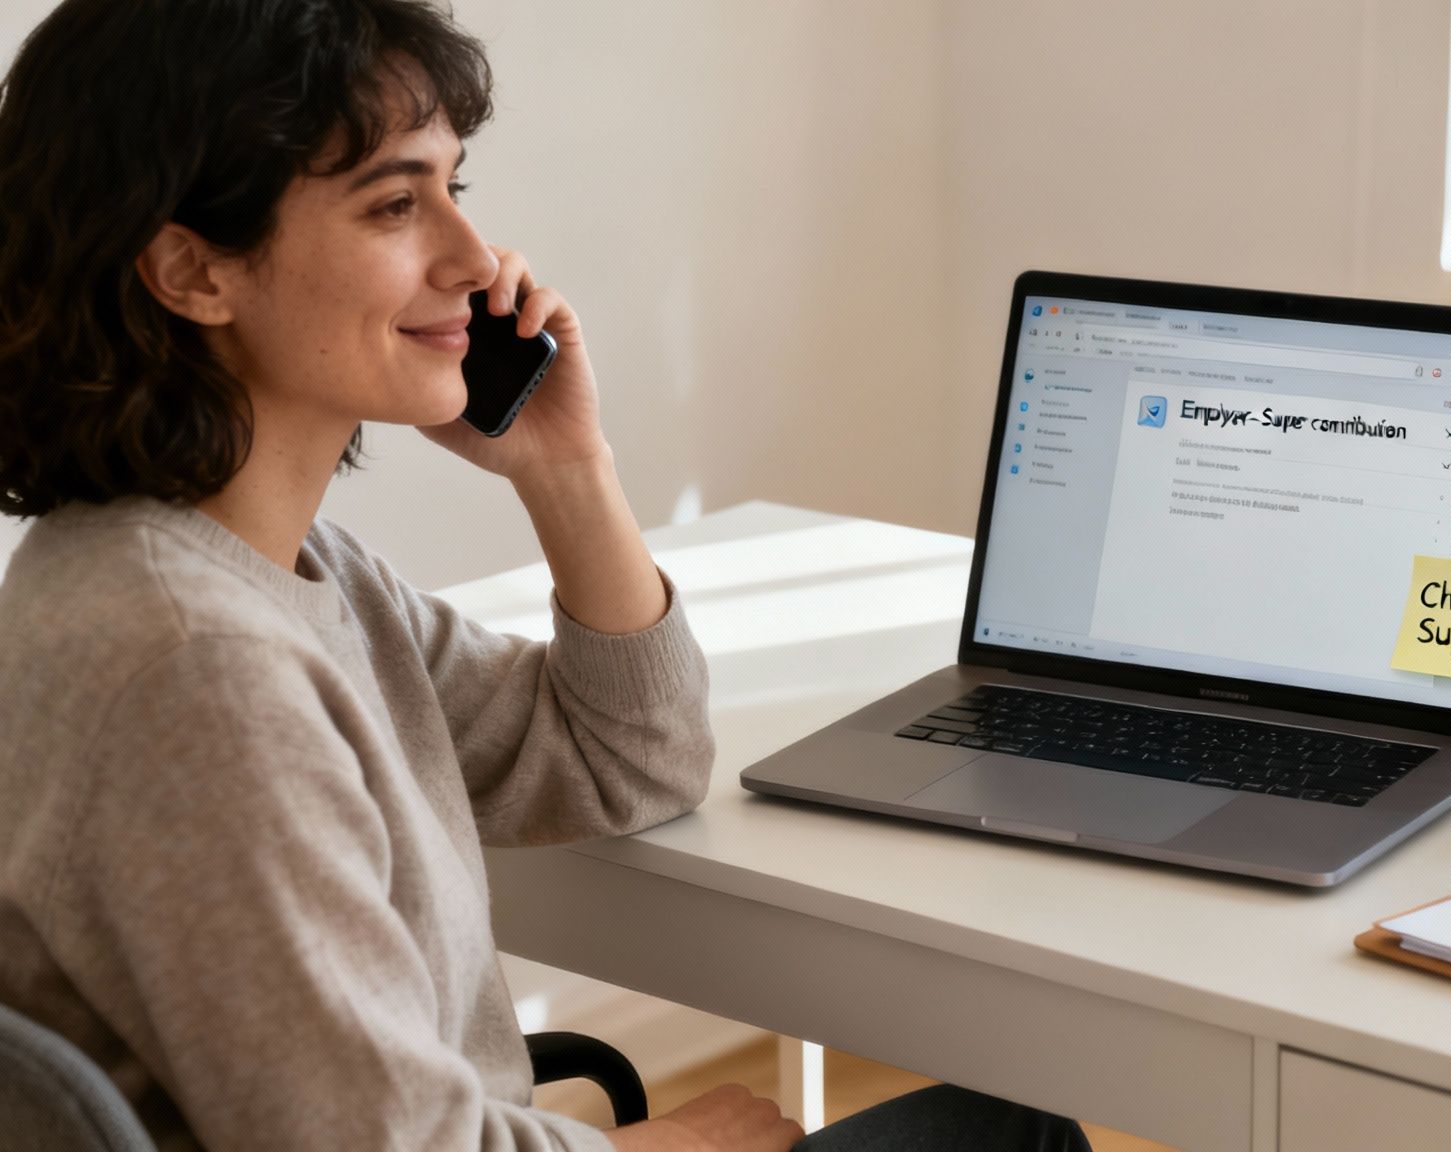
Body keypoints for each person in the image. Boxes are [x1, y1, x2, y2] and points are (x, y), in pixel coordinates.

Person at [0, 2, 1089, 1150]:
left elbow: (631, 760)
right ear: (191, 271)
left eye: (453, 190)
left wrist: (567, 468)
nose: (474, 262)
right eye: (393, 203)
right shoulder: (196, 668)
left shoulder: (281, 573)